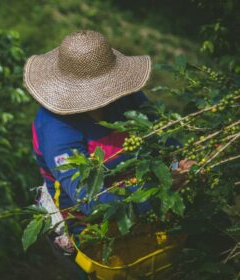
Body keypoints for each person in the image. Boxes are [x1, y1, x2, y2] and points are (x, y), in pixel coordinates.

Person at [23, 30, 194, 278]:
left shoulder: (127, 99)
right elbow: (90, 201)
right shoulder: (56, 129)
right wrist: (161, 188)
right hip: (90, 230)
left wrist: (180, 160)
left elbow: (160, 134)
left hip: (142, 207)